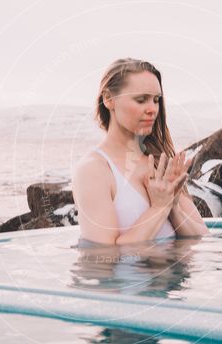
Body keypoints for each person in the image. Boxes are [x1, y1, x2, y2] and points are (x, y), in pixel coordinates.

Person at [72, 57, 209, 245]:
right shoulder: (93, 170)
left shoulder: (160, 163)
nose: (153, 109)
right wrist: (159, 208)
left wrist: (173, 207)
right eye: (141, 100)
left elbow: (202, 237)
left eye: (156, 100)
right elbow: (105, 255)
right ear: (109, 99)